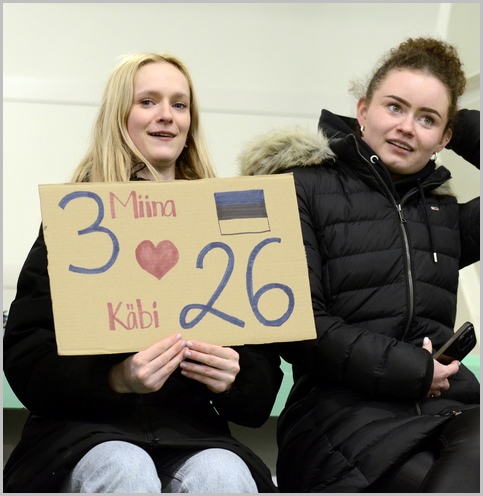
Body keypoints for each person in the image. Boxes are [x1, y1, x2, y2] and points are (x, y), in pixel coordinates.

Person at [3, 52, 282, 493]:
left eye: (179, 104)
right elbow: (26, 356)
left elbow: (261, 384)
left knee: (224, 474)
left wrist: (236, 377)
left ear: (190, 122)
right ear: (120, 117)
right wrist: (116, 379)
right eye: (148, 101)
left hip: (192, 435)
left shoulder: (223, 215)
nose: (167, 115)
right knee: (124, 466)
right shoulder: (77, 219)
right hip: (82, 436)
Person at [239, 37, 479, 492]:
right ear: (363, 110)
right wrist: (413, 371)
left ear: (444, 139)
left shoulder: (445, 212)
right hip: (338, 420)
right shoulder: (301, 188)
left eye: (427, 119)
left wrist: (460, 120)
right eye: (395, 107)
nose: (406, 127)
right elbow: (299, 326)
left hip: (450, 409)